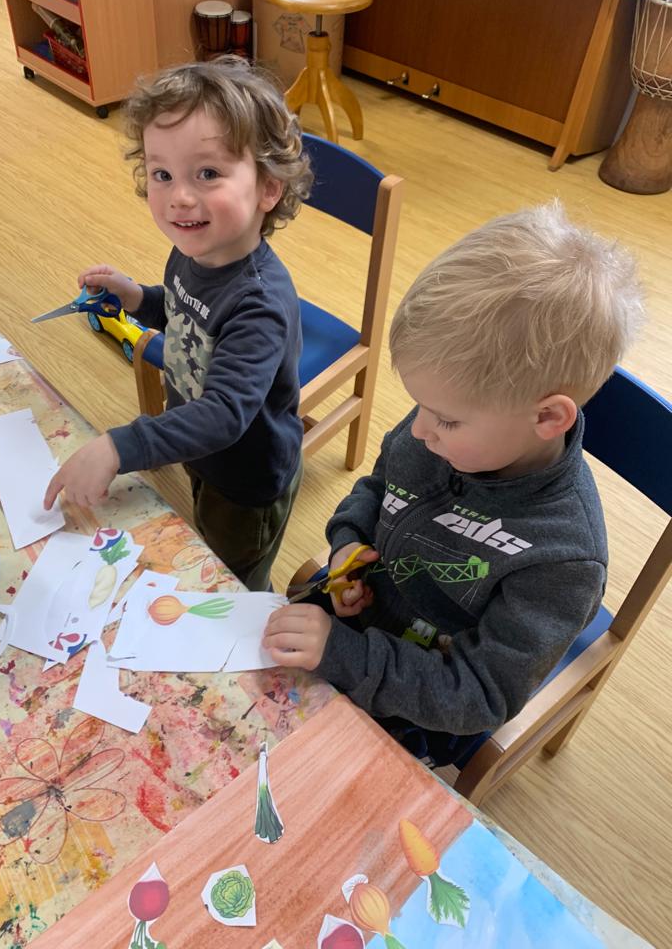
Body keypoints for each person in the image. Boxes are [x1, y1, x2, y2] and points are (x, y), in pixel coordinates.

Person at [263, 203, 644, 763]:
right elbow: (378, 488)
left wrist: (345, 655)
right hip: (357, 621)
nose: (418, 430)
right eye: (420, 405)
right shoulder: (443, 428)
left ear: (547, 418)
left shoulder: (563, 560)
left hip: (423, 698)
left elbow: (481, 695)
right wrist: (349, 546)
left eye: (444, 419)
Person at [44, 57, 313, 591]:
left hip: (246, 481)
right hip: (203, 453)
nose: (179, 197)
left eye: (207, 173)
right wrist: (136, 297)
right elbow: (180, 309)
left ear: (268, 188)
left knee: (230, 580)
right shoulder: (195, 250)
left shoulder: (259, 303)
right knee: (202, 533)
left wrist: (118, 446)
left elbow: (224, 414)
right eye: (162, 174)